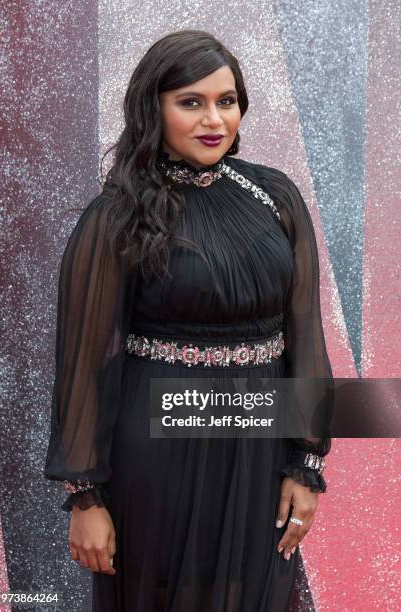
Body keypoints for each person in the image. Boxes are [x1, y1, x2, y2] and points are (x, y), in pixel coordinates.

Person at [44, 29, 333, 612]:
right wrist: (85, 498)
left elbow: (305, 335)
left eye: (226, 101)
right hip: (157, 452)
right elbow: (83, 364)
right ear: (154, 106)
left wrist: (306, 463)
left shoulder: (275, 197)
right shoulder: (116, 216)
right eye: (191, 101)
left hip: (258, 446)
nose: (213, 120)